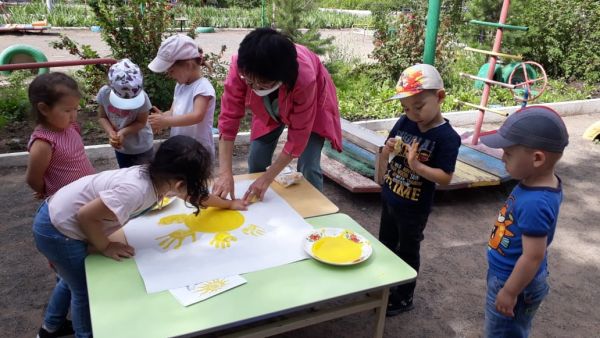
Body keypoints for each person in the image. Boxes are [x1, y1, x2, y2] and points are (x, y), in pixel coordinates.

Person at [33, 135, 246, 338]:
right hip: (57, 230)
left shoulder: (161, 177)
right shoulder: (135, 190)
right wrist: (106, 246)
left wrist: (228, 204)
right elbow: (86, 216)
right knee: (83, 290)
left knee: (70, 281)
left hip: (58, 219)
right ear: (180, 183)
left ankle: (50, 328)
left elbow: (197, 196)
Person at [213, 28, 342, 203]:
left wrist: (267, 178)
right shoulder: (242, 67)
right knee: (257, 158)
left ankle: (316, 213)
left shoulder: (304, 78)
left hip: (314, 102)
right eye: (251, 82)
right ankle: (257, 202)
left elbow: (298, 136)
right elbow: (229, 118)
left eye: (263, 83)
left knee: (309, 164)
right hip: (267, 105)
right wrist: (225, 173)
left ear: (281, 78)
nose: (256, 87)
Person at [480, 106, 568, 337]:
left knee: (503, 333)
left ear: (537, 158)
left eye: (508, 153)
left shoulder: (535, 203)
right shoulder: (538, 182)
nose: (502, 157)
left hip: (514, 281)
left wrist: (510, 291)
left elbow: (533, 255)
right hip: (511, 275)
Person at [379, 64, 461, 316]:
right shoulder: (406, 122)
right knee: (386, 245)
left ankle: (404, 297)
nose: (412, 113)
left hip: (414, 207)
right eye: (405, 108)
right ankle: (384, 287)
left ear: (439, 97)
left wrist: (416, 165)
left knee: (407, 250)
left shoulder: (447, 137)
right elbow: (387, 148)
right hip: (391, 196)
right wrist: (388, 148)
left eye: (418, 106)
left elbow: (445, 177)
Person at [26, 72, 95, 200]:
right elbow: (33, 179)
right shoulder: (43, 143)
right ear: (44, 109)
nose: (74, 116)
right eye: (67, 110)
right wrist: (47, 192)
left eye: (76, 109)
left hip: (87, 192)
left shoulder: (71, 127)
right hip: (67, 201)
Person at [147, 34, 217, 159]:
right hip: (181, 148)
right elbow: (174, 112)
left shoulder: (202, 87)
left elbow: (197, 116)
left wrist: (166, 121)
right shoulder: (180, 86)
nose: (169, 75)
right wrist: (162, 117)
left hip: (198, 153)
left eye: (171, 70)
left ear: (189, 65)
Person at [97, 58, 154, 168]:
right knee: (125, 173)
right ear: (111, 86)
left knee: (145, 175)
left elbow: (141, 122)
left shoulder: (144, 98)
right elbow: (102, 117)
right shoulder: (104, 93)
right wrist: (111, 133)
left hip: (142, 146)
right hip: (121, 148)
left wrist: (123, 132)